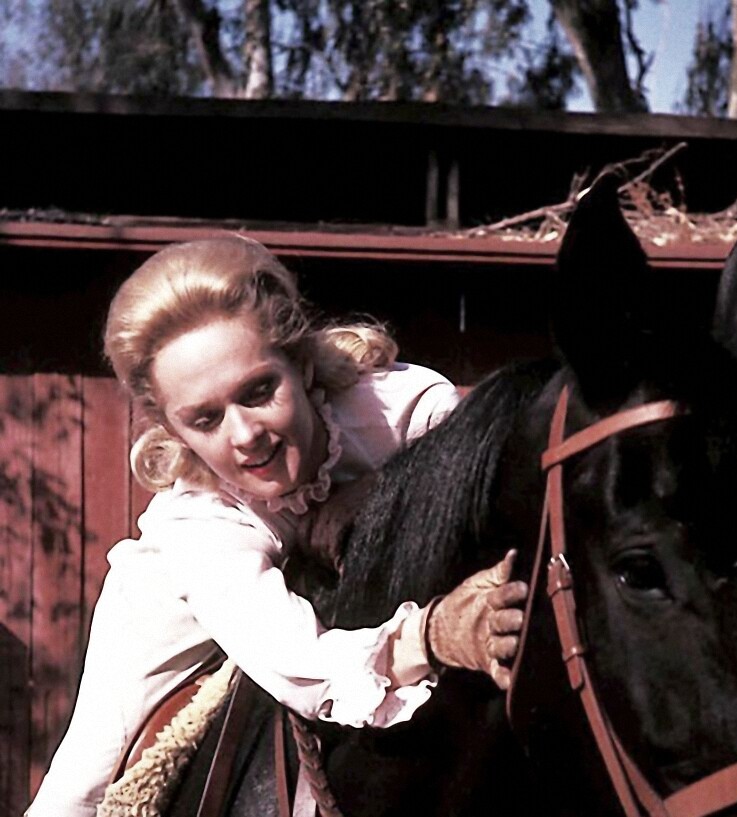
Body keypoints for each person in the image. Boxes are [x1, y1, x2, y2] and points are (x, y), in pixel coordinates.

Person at [26, 236, 527, 817]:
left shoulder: (407, 409)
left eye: (260, 391)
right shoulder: (197, 524)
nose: (245, 435)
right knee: (80, 784)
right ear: (172, 428)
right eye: (205, 419)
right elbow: (302, 665)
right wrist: (432, 637)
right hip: (177, 612)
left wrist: (376, 493)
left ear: (302, 361)